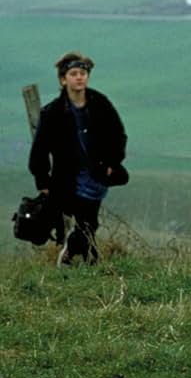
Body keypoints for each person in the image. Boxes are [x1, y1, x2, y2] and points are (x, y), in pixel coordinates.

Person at [29, 51, 128, 265]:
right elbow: (39, 149)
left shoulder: (100, 103)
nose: (79, 77)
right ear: (63, 79)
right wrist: (42, 180)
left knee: (88, 222)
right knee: (87, 221)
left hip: (97, 175)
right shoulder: (52, 112)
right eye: (73, 73)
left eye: (83, 73)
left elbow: (118, 134)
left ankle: (81, 256)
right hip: (66, 178)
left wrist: (112, 162)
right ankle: (76, 256)